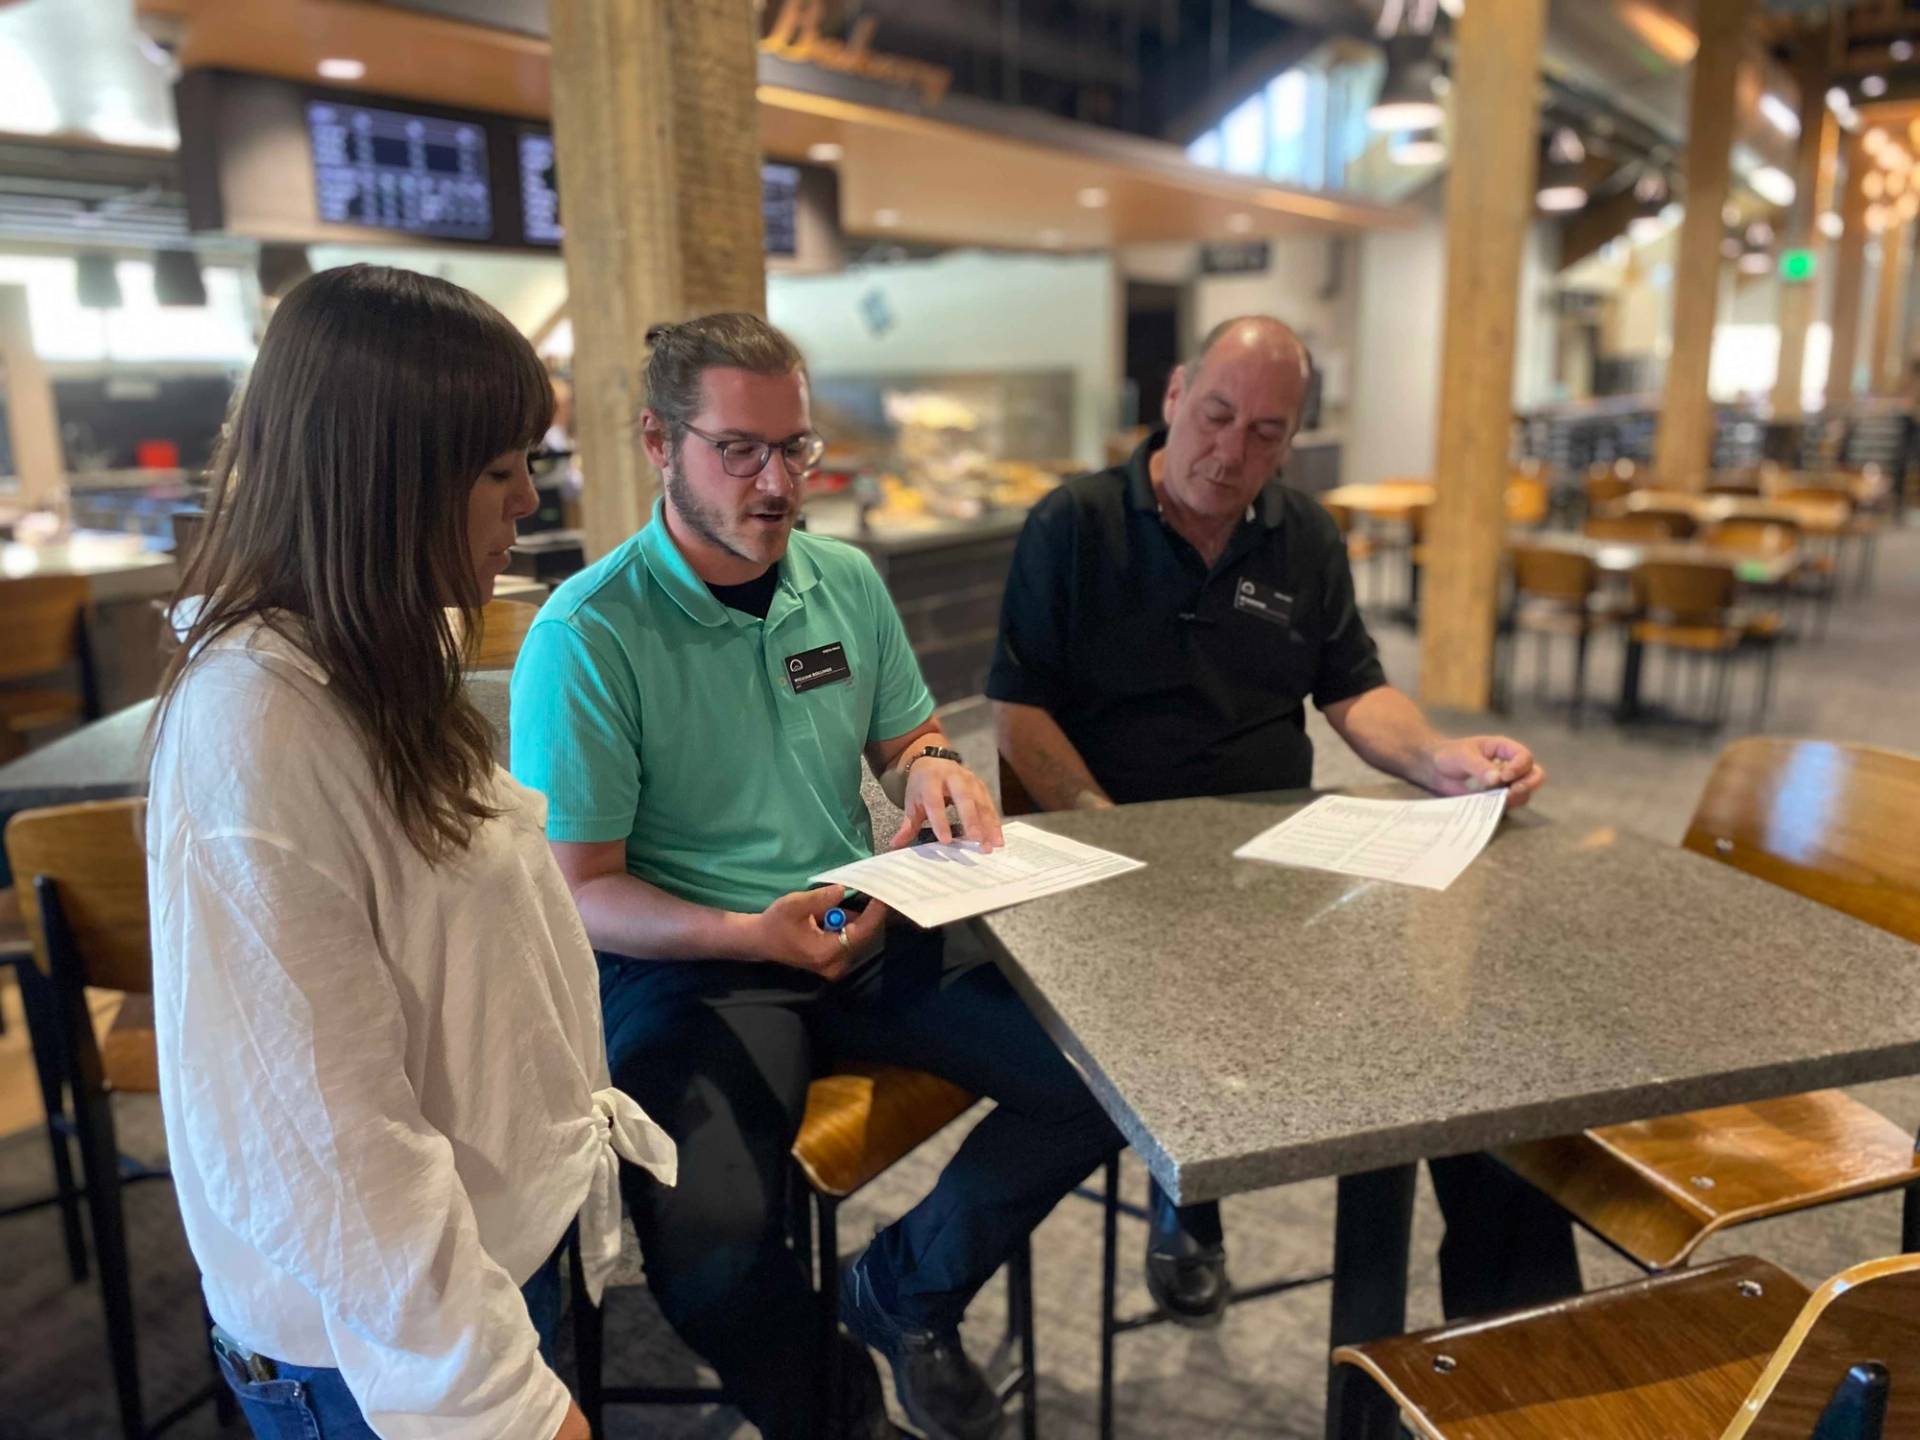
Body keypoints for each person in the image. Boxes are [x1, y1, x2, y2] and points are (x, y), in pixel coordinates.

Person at [509, 312, 1122, 1440]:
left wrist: (937, 767)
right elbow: (580, 892)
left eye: (796, 449)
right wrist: (752, 936)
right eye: (740, 450)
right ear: (657, 440)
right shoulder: (587, 634)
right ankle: (852, 1424)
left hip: (861, 914)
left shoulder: (841, 578)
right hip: (694, 963)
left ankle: (903, 1292)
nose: (778, 481)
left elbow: (908, 734)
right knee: (715, 1259)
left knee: (1118, 1081)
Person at [147, 265, 675, 1440]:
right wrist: (496, 1402)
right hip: (384, 1355)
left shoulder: (372, 663)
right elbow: (330, 1144)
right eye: (498, 472)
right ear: (384, 479)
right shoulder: (259, 730)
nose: (526, 505)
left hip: (468, 1274)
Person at [988, 315, 1575, 1327]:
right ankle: (1194, 1194)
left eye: (1268, 432)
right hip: (1111, 874)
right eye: (1216, 417)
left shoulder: (1304, 533)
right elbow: (1017, 710)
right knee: (1201, 1010)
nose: (1233, 452)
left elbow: (1354, 692)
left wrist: (1442, 758)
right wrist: (1117, 834)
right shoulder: (1074, 524)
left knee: (1461, 1034)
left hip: (1276, 866)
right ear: (1174, 394)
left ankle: (1517, 1343)